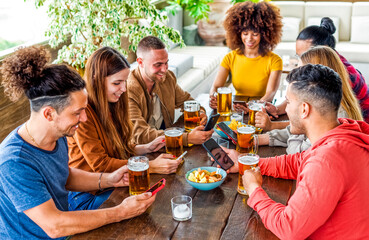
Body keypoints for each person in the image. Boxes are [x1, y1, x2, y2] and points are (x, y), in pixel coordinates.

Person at [0, 46, 155, 239]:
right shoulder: (14, 161)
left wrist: (109, 179)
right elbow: (54, 226)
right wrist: (120, 212)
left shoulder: (57, 135)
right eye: (77, 113)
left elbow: (64, 175)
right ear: (49, 113)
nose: (84, 119)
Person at [224, 64, 369, 239]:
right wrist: (244, 160)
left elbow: (289, 228)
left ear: (304, 109)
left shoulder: (327, 161)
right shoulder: (344, 131)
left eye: (289, 102)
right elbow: (298, 161)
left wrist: (254, 189)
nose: (285, 109)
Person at [67, 47, 181, 210]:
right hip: (88, 195)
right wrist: (152, 165)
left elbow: (118, 147)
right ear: (96, 79)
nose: (124, 89)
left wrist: (144, 148)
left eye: (125, 81)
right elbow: (101, 165)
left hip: (114, 184)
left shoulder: (113, 103)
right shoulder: (82, 114)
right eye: (116, 83)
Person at [259, 17, 369, 128]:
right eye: (299, 56)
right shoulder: (324, 64)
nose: (300, 63)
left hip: (359, 128)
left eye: (304, 56)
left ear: (321, 51)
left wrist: (273, 125)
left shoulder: (342, 77)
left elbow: (321, 122)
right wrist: (277, 110)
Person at [257, 46, 363, 154]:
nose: (296, 77)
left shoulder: (334, 114)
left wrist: (296, 126)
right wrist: (258, 139)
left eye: (301, 72)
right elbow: (298, 131)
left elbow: (298, 154)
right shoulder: (329, 102)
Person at [127, 36, 213, 145]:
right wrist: (186, 138)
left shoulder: (167, 78)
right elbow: (140, 134)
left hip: (167, 145)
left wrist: (200, 113)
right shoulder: (128, 89)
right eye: (158, 65)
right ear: (140, 62)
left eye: (166, 63)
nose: (164, 69)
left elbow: (187, 102)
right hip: (140, 152)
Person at [209, 1, 283, 110]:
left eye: (255, 34)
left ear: (264, 34)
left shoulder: (275, 60)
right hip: (236, 107)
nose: (249, 39)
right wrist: (214, 97)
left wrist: (255, 106)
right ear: (238, 33)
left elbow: (270, 93)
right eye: (245, 33)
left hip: (262, 108)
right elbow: (216, 87)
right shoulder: (230, 57)